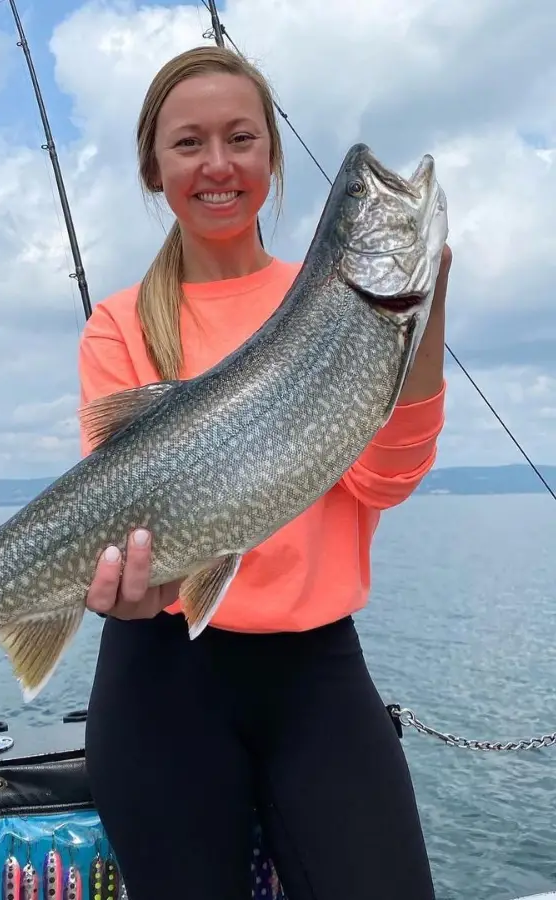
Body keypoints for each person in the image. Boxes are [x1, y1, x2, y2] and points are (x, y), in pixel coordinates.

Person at [76, 45, 451, 900]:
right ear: (153, 167)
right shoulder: (120, 325)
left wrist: (422, 315)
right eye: (189, 143)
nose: (218, 165)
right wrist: (120, 579)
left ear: (273, 158)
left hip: (316, 675)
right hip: (159, 677)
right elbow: (116, 507)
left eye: (242, 138)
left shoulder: (326, 298)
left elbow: (384, 483)